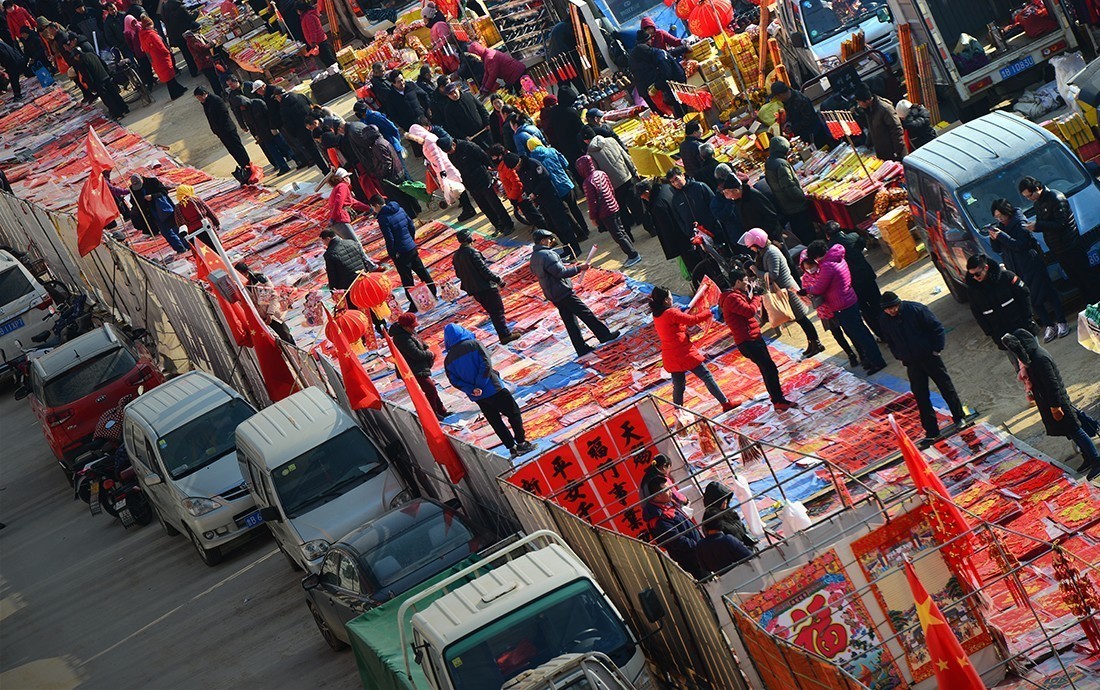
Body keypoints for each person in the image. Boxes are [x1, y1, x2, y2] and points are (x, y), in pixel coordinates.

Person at [1002, 328, 1099, 479]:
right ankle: (1088, 457)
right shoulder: (1033, 358)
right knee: (1070, 431)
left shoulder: (1040, 358)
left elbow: (1052, 384)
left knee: (1075, 430)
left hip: (1058, 401)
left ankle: (1096, 460)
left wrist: (1055, 407)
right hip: (1049, 401)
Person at [878, 292, 969, 446]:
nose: (891, 311)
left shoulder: (916, 310)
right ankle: (932, 431)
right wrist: (900, 356)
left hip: (929, 357)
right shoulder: (884, 320)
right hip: (911, 362)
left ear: (899, 303)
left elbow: (937, 328)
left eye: (893, 308)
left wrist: (936, 349)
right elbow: (890, 341)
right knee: (920, 396)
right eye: (888, 309)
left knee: (946, 387)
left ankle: (959, 417)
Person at [443, 323, 534, 457]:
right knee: (513, 413)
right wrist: (480, 384)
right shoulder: (474, 344)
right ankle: (521, 442)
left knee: (495, 421)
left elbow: (454, 381)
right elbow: (486, 364)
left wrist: (472, 389)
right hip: (492, 388)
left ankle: (511, 447)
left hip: (479, 396)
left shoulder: (448, 360)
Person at [530, 229, 619, 357]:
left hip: (553, 294)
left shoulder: (534, 256)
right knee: (585, 313)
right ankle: (604, 335)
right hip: (562, 291)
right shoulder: (548, 255)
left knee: (570, 321)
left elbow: (535, 272)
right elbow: (561, 273)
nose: (551, 241)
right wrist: (578, 268)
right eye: (549, 239)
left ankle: (581, 347)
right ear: (543, 240)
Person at [801, 240, 887, 373]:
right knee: (861, 331)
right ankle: (872, 359)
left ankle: (877, 361)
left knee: (860, 334)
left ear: (817, 256)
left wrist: (807, 291)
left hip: (842, 304)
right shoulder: (837, 258)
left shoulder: (827, 266)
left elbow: (819, 288)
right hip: (849, 298)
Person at [990, 198, 1068, 341]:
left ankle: (1062, 321)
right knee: (1032, 299)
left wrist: (1001, 236)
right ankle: (1049, 325)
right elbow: (998, 249)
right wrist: (994, 238)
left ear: (1008, 212)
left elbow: (1021, 246)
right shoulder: (1000, 228)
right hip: (1016, 269)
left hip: (1031, 264)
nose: (1000, 219)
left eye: (1001, 216)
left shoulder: (1020, 223)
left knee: (1048, 293)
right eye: (997, 217)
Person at [737, 229, 824, 357]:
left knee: (801, 318)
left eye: (752, 247)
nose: (752, 250)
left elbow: (773, 275)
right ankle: (812, 343)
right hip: (782, 291)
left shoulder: (771, 252)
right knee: (798, 318)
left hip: (787, 289)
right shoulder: (764, 252)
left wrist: (756, 271)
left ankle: (816, 343)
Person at [719, 268, 796, 410]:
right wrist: (756, 296)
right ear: (737, 282)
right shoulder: (732, 298)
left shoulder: (736, 295)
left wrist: (753, 295)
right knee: (770, 369)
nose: (747, 283)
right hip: (749, 341)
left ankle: (776, 398)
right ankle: (778, 399)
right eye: (745, 281)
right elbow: (749, 311)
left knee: (767, 369)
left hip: (752, 338)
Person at [650, 286, 736, 411]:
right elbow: (693, 320)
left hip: (670, 355)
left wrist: (679, 311)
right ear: (666, 301)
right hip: (683, 353)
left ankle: (678, 412)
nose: (672, 298)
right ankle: (725, 403)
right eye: (670, 296)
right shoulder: (671, 313)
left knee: (679, 385)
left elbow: (673, 320)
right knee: (706, 376)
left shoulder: (657, 314)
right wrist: (710, 312)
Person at [1020, 176, 1098, 302]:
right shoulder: (1038, 204)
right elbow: (1044, 224)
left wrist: (1038, 225)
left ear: (1037, 188)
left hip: (1071, 246)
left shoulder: (1056, 198)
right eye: (1026, 197)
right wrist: (1034, 227)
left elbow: (1061, 223)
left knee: (1087, 278)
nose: (1029, 199)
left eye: (1030, 195)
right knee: (1077, 281)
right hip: (1058, 250)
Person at [964, 254, 1036, 368]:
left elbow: (1024, 294)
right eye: (971, 275)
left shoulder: (1006, 277)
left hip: (1022, 327)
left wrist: (1027, 318)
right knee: (1020, 369)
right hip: (1002, 334)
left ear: (986, 268)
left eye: (977, 274)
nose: (975, 278)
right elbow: (977, 313)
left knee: (1037, 360)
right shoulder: (973, 291)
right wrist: (991, 333)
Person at [370, 194, 437, 312]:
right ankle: (433, 291)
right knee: (421, 270)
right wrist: (410, 240)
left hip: (401, 251)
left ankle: (414, 303)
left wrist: (392, 253)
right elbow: (411, 225)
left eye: (373, 207)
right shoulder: (399, 208)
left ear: (376, 205)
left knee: (407, 278)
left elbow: (389, 238)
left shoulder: (383, 218)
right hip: (411, 246)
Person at [452, 228, 518, 344]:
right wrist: (498, 280)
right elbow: (484, 271)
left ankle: (503, 333)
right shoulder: (473, 253)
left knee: (492, 311)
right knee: (497, 311)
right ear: (470, 238)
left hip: (474, 290)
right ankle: (505, 335)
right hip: (485, 287)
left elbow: (458, 274)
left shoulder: (456, 256)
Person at [509, 153, 581, 255]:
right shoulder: (520, 170)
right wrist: (527, 192)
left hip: (551, 198)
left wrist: (535, 192)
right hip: (541, 202)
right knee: (552, 226)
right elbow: (526, 184)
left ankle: (575, 248)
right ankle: (566, 248)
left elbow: (545, 179)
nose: (516, 169)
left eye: (516, 166)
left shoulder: (533, 164)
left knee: (563, 225)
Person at [577, 155, 641, 267]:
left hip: (605, 212)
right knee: (621, 231)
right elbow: (611, 189)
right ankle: (632, 251)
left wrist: (593, 218)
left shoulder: (587, 183)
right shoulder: (601, 173)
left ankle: (633, 255)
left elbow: (592, 203)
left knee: (617, 235)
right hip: (614, 206)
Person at [442, 136, 514, 235]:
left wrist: (492, 170)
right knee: (483, 206)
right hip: (470, 183)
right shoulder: (451, 156)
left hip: (482, 177)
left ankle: (508, 224)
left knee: (494, 203)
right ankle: (498, 225)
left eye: (450, 149)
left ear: (453, 144)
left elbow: (483, 157)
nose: (450, 152)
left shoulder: (468, 146)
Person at [823, 220, 883, 340]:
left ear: (827, 235)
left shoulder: (829, 251)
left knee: (866, 310)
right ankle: (890, 329)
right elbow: (862, 245)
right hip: (866, 276)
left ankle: (880, 334)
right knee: (878, 303)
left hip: (852, 283)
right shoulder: (853, 237)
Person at [581, 125, 643, 233]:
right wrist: (634, 171)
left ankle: (628, 234)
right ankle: (649, 226)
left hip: (613, 185)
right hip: (626, 176)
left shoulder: (590, 154)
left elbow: (597, 174)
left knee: (621, 210)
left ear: (586, 140)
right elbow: (625, 156)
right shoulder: (611, 140)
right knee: (636, 203)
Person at [390, 312, 449, 418]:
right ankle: (432, 414)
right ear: (406, 326)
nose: (414, 328)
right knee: (430, 389)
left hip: (418, 367)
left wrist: (426, 347)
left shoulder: (409, 332)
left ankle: (441, 410)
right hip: (412, 369)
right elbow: (416, 354)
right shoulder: (402, 338)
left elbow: (419, 342)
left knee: (431, 389)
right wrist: (430, 354)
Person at [527, 138, 590, 237]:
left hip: (554, 190)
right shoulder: (552, 150)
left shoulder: (533, 160)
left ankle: (578, 232)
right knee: (575, 208)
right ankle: (585, 228)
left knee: (566, 214)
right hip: (566, 183)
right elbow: (565, 163)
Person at [643, 475, 702, 578]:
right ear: (656, 496)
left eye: (670, 488)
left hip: (699, 552)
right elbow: (678, 541)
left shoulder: (668, 504)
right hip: (692, 558)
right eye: (666, 490)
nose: (670, 492)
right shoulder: (660, 520)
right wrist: (699, 546)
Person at [638, 177, 699, 277]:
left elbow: (667, 230)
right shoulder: (666, 188)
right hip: (687, 229)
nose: (642, 198)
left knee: (694, 264)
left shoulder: (657, 206)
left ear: (647, 192)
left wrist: (673, 249)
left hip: (681, 240)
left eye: (642, 195)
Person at [764, 136, 815, 245]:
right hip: (796, 206)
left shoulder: (769, 162)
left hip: (786, 206)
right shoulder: (781, 164)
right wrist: (802, 197)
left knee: (800, 234)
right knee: (807, 234)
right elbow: (789, 186)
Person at [235, 261, 295, 344]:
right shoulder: (240, 284)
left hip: (272, 313)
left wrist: (270, 314)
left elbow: (274, 297)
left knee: (285, 336)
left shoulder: (261, 279)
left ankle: (295, 354)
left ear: (246, 273)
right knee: (264, 340)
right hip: (257, 316)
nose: (239, 277)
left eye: (240, 274)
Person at [232, 94, 294, 175]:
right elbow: (250, 124)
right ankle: (283, 167)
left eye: (240, 106)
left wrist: (273, 127)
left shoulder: (258, 103)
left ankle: (298, 159)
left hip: (271, 130)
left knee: (284, 146)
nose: (241, 108)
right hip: (262, 135)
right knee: (274, 152)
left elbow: (269, 116)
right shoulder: (245, 111)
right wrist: (256, 135)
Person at [195, 86, 252, 170]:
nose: (199, 99)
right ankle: (242, 165)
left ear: (204, 94)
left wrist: (220, 127)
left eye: (199, 97)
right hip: (220, 132)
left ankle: (247, 164)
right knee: (232, 150)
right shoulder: (205, 103)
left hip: (227, 129)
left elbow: (224, 114)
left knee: (237, 148)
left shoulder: (216, 100)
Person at [490, 144, 545, 228]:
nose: (492, 159)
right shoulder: (503, 166)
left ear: (500, 156)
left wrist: (513, 197)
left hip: (520, 197)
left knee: (536, 218)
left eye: (493, 157)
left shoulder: (507, 166)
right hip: (517, 197)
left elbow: (517, 183)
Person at [130, 174, 187, 252]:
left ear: (142, 179)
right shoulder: (133, 189)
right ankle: (180, 249)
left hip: (164, 210)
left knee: (176, 229)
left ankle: (188, 245)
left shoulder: (153, 182)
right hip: (152, 214)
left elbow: (164, 192)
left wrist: (153, 196)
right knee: (166, 233)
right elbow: (133, 201)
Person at [771, 80, 835, 149]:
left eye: (777, 96)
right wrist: (788, 123)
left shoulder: (801, 100)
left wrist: (792, 128)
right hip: (803, 133)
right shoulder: (787, 100)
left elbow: (808, 120)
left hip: (813, 133)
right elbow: (790, 114)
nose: (778, 99)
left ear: (781, 95)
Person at [73, 45, 131, 119]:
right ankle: (124, 108)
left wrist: (92, 87)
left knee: (108, 98)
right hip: (105, 76)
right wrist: (108, 73)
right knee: (114, 93)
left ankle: (117, 114)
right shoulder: (92, 54)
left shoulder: (81, 62)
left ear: (77, 55)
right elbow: (103, 63)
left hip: (98, 81)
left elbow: (87, 76)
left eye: (75, 57)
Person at [718, 175, 782, 242]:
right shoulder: (737, 201)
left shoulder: (754, 196)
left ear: (736, 190)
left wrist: (771, 236)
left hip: (770, 236)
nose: (727, 197)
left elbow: (770, 215)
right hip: (758, 238)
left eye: (727, 193)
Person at [667, 167, 719, 247]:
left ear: (682, 175)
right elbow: (679, 219)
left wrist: (713, 222)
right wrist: (687, 231)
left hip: (713, 229)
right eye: (673, 182)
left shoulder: (699, 187)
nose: (676, 183)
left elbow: (714, 204)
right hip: (697, 237)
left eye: (676, 179)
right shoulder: (676, 199)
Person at [138, 14, 186, 99]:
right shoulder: (152, 35)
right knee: (169, 77)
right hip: (163, 58)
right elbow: (161, 46)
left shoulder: (143, 36)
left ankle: (180, 89)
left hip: (156, 59)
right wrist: (168, 52)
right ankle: (175, 94)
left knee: (168, 77)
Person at [854, 84, 906, 162]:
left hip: (893, 152)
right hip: (883, 153)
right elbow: (872, 128)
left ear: (867, 100)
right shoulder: (869, 110)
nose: (859, 105)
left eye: (859, 102)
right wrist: (867, 144)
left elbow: (896, 129)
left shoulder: (884, 108)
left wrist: (898, 151)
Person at [321, 227, 378, 296]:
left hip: (348, 285)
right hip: (363, 277)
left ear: (328, 239)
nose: (324, 244)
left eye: (323, 241)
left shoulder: (330, 254)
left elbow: (332, 274)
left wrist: (333, 290)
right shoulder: (351, 242)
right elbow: (363, 259)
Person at [701, 481, 755, 550]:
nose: (725, 501)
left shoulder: (729, 511)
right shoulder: (711, 520)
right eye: (722, 500)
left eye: (726, 498)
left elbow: (740, 526)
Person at [542, 85, 585, 169]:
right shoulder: (571, 112)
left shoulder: (553, 112)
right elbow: (581, 128)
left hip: (563, 147)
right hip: (576, 146)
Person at [441, 81, 491, 149]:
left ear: (457, 89)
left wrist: (487, 122)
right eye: (451, 94)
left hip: (485, 130)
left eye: (454, 91)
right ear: (448, 96)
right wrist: (464, 137)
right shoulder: (448, 109)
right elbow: (453, 128)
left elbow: (482, 109)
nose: (454, 95)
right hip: (473, 138)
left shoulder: (468, 96)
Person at [325, 167, 369, 240]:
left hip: (337, 220)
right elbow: (338, 203)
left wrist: (368, 208)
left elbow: (353, 202)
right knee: (354, 242)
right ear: (343, 178)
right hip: (339, 220)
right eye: (347, 176)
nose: (349, 178)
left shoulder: (339, 187)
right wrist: (333, 218)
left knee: (351, 242)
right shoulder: (342, 186)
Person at [160, 0, 198, 77]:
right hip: (186, 33)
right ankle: (198, 67)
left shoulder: (163, 10)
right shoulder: (179, 7)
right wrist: (197, 13)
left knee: (186, 53)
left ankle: (193, 71)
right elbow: (190, 18)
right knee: (193, 51)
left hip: (176, 35)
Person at [184, 29, 222, 96]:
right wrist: (212, 43)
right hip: (204, 62)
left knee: (214, 78)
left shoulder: (191, 38)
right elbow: (201, 48)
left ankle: (220, 93)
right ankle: (219, 94)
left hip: (205, 61)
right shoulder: (192, 40)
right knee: (213, 79)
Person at [298, 0, 336, 67]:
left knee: (331, 62)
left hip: (320, 43)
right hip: (321, 41)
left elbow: (312, 31)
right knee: (330, 61)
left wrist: (313, 42)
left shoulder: (308, 17)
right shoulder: (309, 15)